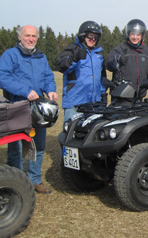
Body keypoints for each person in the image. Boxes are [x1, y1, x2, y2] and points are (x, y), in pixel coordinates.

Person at [0, 25, 58, 194]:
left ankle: (34, 180)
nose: (31, 39)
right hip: (16, 107)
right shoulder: (10, 55)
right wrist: (25, 91)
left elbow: (48, 76)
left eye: (33, 36)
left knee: (38, 145)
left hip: (37, 108)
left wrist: (51, 89)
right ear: (20, 37)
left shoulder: (41, 56)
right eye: (27, 36)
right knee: (16, 148)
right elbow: (3, 77)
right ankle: (15, 183)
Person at [56, 21, 106, 123]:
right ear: (83, 35)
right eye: (90, 36)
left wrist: (103, 94)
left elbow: (101, 76)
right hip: (75, 102)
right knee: (71, 133)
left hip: (94, 103)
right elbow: (61, 67)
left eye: (96, 37)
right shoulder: (72, 49)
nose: (93, 40)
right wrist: (74, 58)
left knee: (92, 135)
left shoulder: (99, 53)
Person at [106, 19, 148, 100]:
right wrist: (117, 60)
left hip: (139, 96)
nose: (135, 37)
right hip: (121, 96)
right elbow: (108, 63)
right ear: (128, 34)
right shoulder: (120, 49)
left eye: (138, 35)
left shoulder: (146, 52)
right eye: (132, 34)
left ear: (142, 35)